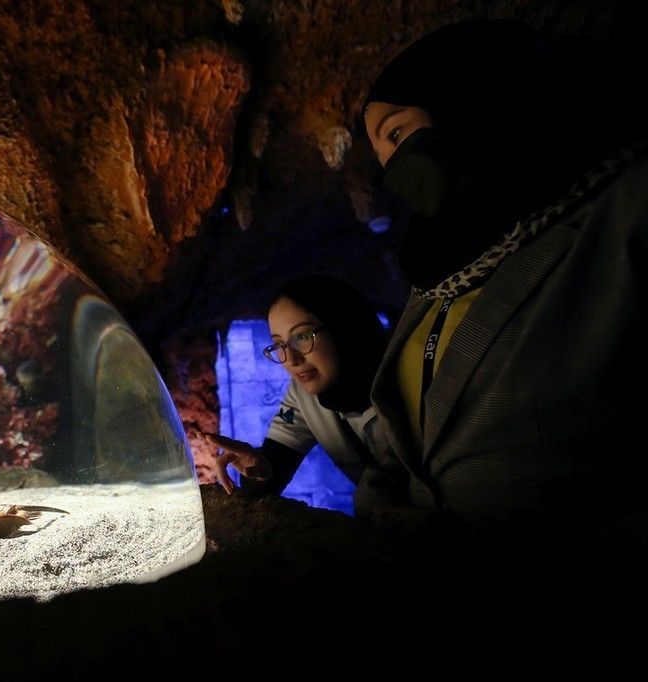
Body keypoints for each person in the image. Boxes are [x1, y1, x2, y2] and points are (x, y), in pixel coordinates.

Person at [358, 19, 647, 567]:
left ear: (469, 99)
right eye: (381, 158)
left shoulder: (625, 210)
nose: (395, 169)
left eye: (397, 134)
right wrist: (379, 503)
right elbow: (411, 437)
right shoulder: (435, 279)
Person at [198, 275, 390, 500]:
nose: (290, 359)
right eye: (278, 344)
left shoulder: (414, 383)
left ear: (343, 328)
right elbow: (274, 464)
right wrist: (257, 468)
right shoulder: (303, 396)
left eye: (302, 336)